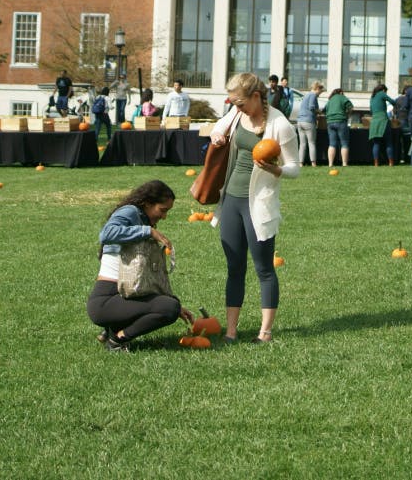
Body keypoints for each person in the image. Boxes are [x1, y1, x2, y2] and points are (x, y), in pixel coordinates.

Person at [209, 72, 299, 343]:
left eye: (240, 103)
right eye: (234, 104)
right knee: (234, 267)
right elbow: (218, 127)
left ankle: (265, 332)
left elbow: (295, 168)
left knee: (264, 268)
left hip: (258, 204)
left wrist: (275, 169)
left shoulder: (280, 125)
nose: (237, 108)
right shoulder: (237, 115)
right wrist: (217, 136)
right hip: (231, 200)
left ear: (256, 96)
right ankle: (231, 331)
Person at [87, 180, 195, 352]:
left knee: (172, 304)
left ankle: (112, 329)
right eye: (162, 210)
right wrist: (148, 231)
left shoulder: (142, 218)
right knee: (170, 307)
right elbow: (106, 233)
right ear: (147, 203)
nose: (164, 216)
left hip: (123, 297)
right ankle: (117, 340)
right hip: (106, 301)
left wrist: (170, 304)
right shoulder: (130, 212)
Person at [367, 83, 398, 167]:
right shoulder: (382, 93)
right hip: (383, 120)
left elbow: (371, 110)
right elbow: (393, 102)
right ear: (384, 90)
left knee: (376, 143)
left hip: (374, 121)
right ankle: (391, 163)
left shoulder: (372, 97)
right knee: (388, 142)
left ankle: (376, 163)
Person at [295, 81, 325, 166]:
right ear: (317, 88)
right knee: (311, 143)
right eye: (320, 91)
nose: (320, 94)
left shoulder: (306, 95)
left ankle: (300, 163)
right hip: (309, 121)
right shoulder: (313, 95)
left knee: (302, 144)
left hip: (300, 121)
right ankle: (313, 163)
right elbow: (311, 107)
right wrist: (319, 112)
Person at [323, 88, 353, 167]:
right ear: (341, 92)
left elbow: (324, 111)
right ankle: (344, 163)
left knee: (332, 143)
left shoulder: (330, 100)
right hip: (341, 121)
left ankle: (330, 164)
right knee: (344, 143)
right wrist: (347, 114)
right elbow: (351, 107)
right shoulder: (342, 97)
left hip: (330, 122)